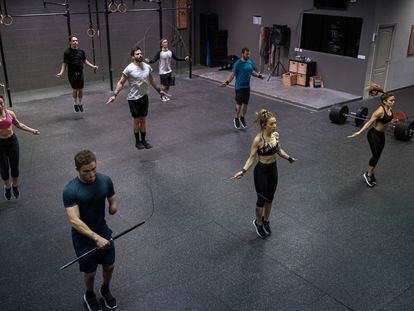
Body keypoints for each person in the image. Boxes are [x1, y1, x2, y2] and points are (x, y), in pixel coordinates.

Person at [63, 150, 118, 311]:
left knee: (109, 265)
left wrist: (113, 206)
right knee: (90, 273)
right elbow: (74, 220)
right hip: (83, 238)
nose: (91, 174)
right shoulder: (70, 190)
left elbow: (112, 196)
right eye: (86, 171)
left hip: (103, 230)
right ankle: (89, 294)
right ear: (77, 170)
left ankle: (105, 289)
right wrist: (96, 238)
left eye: (93, 169)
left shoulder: (105, 180)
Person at [233, 109, 296, 238]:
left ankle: (266, 220)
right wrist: (243, 171)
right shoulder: (258, 139)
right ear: (264, 125)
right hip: (261, 171)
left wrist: (288, 158)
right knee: (261, 199)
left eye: (275, 123)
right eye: (272, 124)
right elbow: (251, 158)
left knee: (270, 198)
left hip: (273, 170)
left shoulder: (275, 135)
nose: (275, 126)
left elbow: (278, 150)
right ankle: (258, 222)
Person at [106, 46, 167, 150]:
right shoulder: (129, 68)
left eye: (140, 53)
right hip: (133, 99)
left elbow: (151, 80)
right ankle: (137, 141)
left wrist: (159, 90)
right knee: (136, 120)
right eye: (137, 54)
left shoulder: (147, 67)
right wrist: (114, 95)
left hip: (144, 97)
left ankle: (143, 140)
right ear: (132, 57)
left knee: (143, 120)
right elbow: (121, 82)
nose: (140, 55)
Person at [348, 84, 395, 187]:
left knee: (378, 155)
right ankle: (368, 174)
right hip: (374, 135)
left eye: (393, 100)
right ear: (385, 102)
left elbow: (386, 121)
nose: (393, 102)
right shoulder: (379, 111)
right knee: (376, 155)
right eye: (391, 100)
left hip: (382, 135)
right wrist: (359, 132)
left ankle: (370, 172)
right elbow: (369, 122)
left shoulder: (389, 109)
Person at [0, 96, 39, 200]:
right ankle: (7, 187)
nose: (0, 105)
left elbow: (19, 125)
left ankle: (15, 186)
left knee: (15, 166)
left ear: (4, 103)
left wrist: (32, 130)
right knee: (4, 168)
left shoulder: (10, 113)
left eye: (1, 103)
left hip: (12, 141)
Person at [222, 47, 264, 129]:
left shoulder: (250, 62)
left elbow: (251, 71)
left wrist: (259, 76)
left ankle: (242, 117)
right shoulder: (237, 64)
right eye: (247, 54)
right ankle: (236, 118)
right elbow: (232, 74)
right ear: (242, 54)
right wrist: (227, 82)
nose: (248, 55)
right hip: (239, 87)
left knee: (245, 104)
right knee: (239, 105)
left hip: (247, 87)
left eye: (249, 54)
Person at [56, 35, 99, 113]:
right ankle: (75, 103)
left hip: (80, 73)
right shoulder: (67, 52)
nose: (75, 42)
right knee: (75, 89)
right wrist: (61, 72)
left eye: (76, 40)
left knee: (81, 89)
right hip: (72, 74)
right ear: (70, 42)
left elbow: (85, 60)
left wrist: (93, 66)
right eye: (73, 41)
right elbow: (64, 64)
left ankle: (80, 103)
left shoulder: (81, 51)